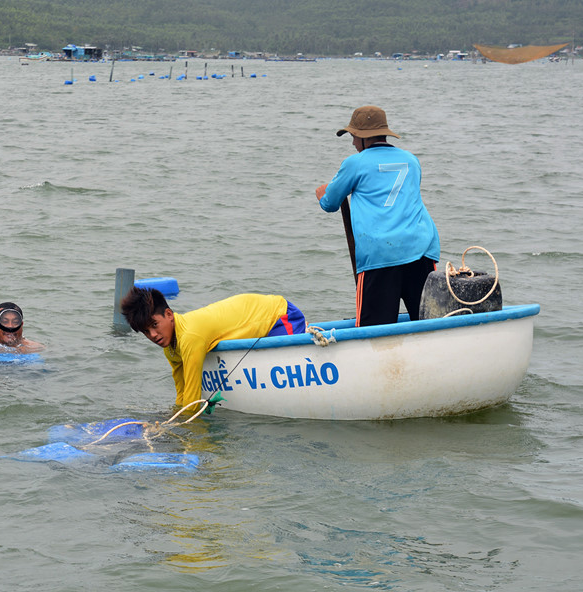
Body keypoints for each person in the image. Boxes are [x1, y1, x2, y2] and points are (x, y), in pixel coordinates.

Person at [315, 105, 440, 327]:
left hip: (380, 255)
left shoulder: (354, 163)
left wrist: (321, 194)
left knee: (374, 328)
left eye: (354, 137)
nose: (353, 143)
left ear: (364, 138)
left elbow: (330, 203)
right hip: (421, 249)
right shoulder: (411, 160)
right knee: (429, 323)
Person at [120, 286, 305, 407]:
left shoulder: (190, 337)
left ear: (169, 314)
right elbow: (181, 395)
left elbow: (192, 400)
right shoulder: (170, 348)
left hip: (280, 315)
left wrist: (178, 433)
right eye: (145, 331)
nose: (153, 335)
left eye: (154, 325)